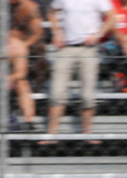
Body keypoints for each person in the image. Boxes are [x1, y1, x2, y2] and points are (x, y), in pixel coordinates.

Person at [45, 0, 113, 139]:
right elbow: (51, 12)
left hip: (88, 49)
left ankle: (87, 132)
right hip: (66, 48)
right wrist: (57, 31)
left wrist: (98, 34)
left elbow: (112, 17)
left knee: (87, 95)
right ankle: (52, 132)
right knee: (57, 92)